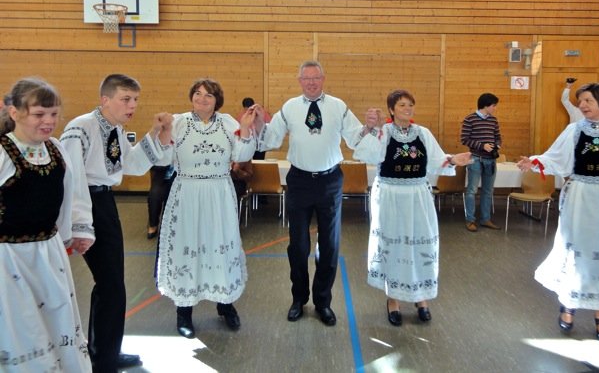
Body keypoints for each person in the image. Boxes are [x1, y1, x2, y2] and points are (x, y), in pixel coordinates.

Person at [60, 74, 173, 373]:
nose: (132, 105)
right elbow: (72, 179)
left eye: (135, 99)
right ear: (105, 100)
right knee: (110, 286)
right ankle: (103, 360)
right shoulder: (81, 127)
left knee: (112, 285)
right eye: (125, 99)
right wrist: (79, 225)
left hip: (105, 203)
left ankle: (105, 351)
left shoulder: (115, 129)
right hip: (88, 205)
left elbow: (132, 164)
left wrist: (155, 133)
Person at [253, 60, 379, 326]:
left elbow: (354, 137)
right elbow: (271, 137)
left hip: (329, 182)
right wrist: (259, 124)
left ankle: (323, 302)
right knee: (298, 246)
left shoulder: (338, 106)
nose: (311, 82)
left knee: (330, 245)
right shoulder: (289, 107)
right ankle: (298, 299)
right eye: (306, 78)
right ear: (300, 81)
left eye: (315, 78)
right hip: (299, 181)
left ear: (323, 79)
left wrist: (368, 127)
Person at [517, 82, 599, 344]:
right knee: (576, 252)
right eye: (581, 100)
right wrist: (535, 161)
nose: (582, 105)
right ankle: (568, 305)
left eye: (588, 101)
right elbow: (555, 157)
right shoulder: (574, 130)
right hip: (582, 197)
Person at [353, 89, 472, 326]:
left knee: (420, 245)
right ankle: (393, 299)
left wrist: (452, 160)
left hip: (418, 196)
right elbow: (367, 155)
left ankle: (421, 298)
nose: (407, 109)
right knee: (393, 246)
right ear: (391, 110)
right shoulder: (384, 132)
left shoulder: (423, 133)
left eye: (410, 105)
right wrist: (374, 128)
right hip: (390, 196)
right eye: (402, 105)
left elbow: (436, 160)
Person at [0, 77, 93, 372]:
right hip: (9, 259)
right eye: (39, 114)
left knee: (56, 320)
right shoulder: (3, 152)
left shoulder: (56, 149)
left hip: (49, 255)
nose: (48, 121)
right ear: (15, 112)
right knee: (22, 328)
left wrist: (72, 233)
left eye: (53, 114)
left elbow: (70, 194)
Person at [155, 78, 256, 339]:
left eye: (208, 95)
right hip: (187, 193)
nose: (202, 98)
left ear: (216, 101)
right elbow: (163, 157)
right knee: (186, 247)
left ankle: (225, 304)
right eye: (198, 94)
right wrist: (163, 131)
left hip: (219, 194)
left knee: (221, 245)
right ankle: (184, 312)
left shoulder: (228, 124)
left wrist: (246, 129)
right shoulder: (178, 122)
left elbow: (243, 155)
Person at [460, 92, 502, 232]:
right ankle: (470, 220)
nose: (495, 108)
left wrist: (497, 145)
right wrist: (482, 146)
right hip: (475, 158)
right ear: (486, 105)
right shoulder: (469, 119)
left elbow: (498, 137)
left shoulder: (493, 120)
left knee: (488, 191)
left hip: (491, 160)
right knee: (472, 190)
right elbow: (464, 139)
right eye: (494, 105)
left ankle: (485, 219)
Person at [146, 165, 175, 239]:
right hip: (163, 175)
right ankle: (153, 224)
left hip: (181, 177)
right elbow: (153, 165)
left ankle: (168, 224)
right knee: (154, 195)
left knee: (172, 195)